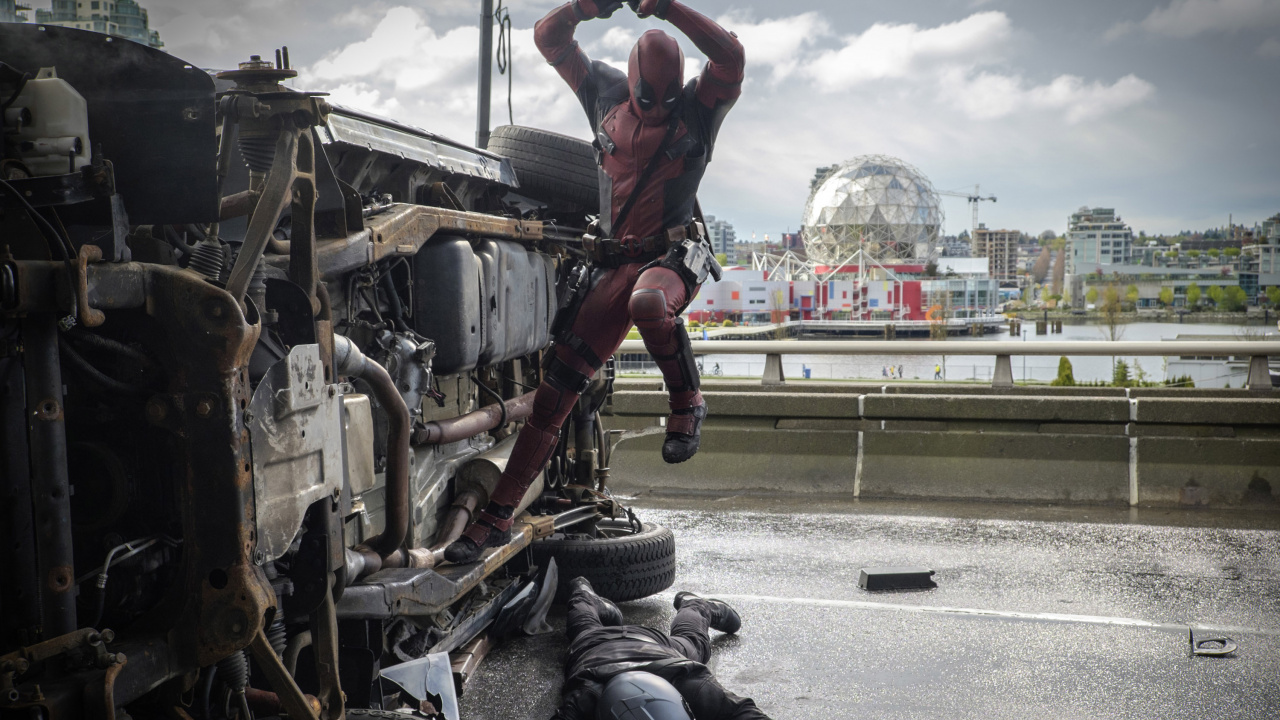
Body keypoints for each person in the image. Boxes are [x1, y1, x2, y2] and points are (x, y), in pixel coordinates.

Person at [445, 0, 745, 564]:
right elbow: (547, 37)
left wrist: (670, 7)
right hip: (611, 262)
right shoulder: (604, 93)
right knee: (554, 394)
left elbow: (730, 56)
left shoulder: (700, 109)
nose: (656, 109)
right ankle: (496, 517)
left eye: (665, 97)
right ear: (632, 84)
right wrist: (587, 6)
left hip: (671, 256)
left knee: (651, 302)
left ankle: (687, 402)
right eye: (647, 98)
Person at [551, 577, 771, 720]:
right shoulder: (586, 697)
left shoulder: (692, 683)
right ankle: (584, 595)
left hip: (622, 647)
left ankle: (696, 605)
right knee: (582, 625)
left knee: (693, 640)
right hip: (599, 645)